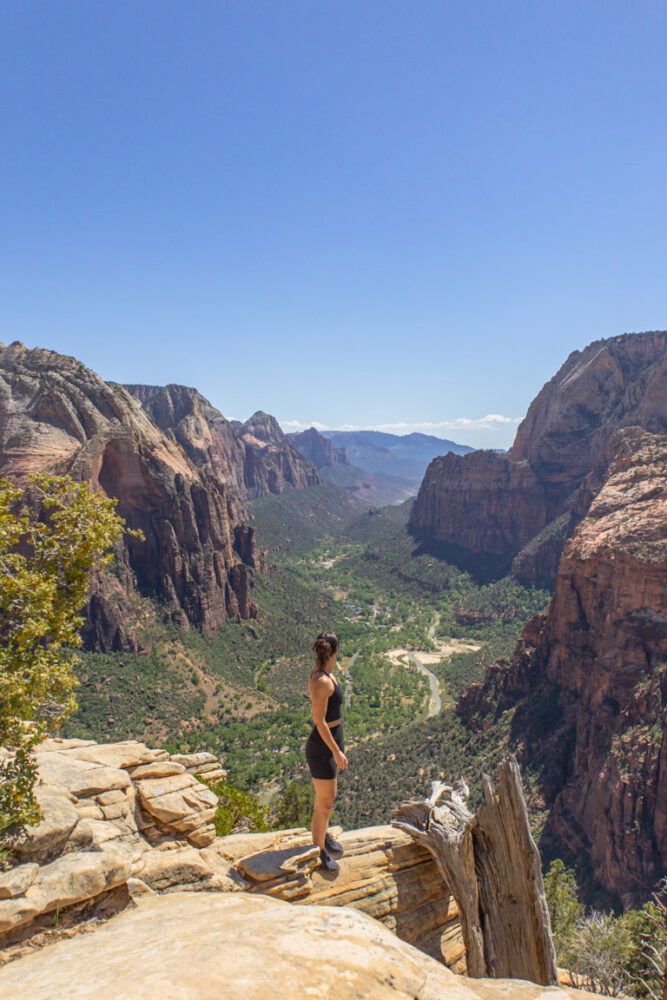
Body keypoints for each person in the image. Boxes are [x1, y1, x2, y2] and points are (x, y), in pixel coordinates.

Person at [305, 631, 348, 872]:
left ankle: (323, 836)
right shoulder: (321, 680)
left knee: (327, 800)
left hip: (332, 741)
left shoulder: (327, 671)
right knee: (324, 802)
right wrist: (337, 752)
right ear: (334, 652)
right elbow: (319, 722)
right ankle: (318, 851)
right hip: (322, 747)